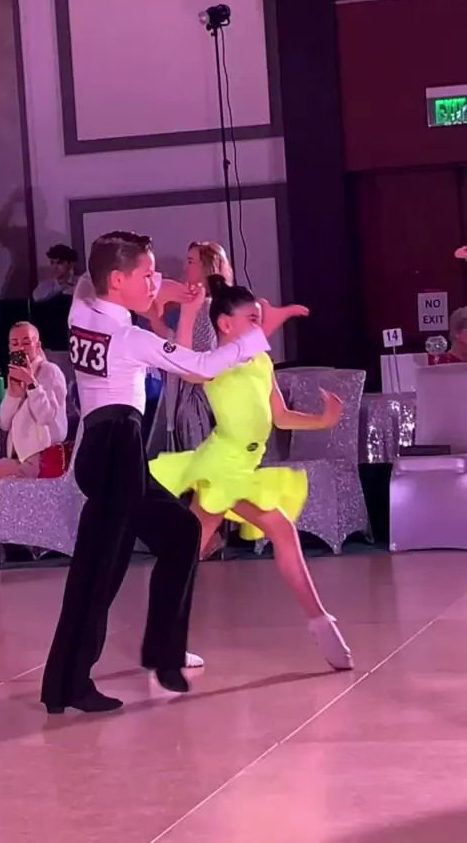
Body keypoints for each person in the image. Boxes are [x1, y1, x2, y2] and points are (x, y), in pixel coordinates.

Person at [40, 230, 277, 716]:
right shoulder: (130, 338)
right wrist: (254, 337)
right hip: (117, 450)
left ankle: (161, 655)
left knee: (181, 532)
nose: (156, 281)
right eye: (147, 274)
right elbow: (201, 368)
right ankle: (72, 684)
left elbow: (96, 278)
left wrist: (174, 293)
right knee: (102, 569)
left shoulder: (81, 308)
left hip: (104, 450)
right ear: (118, 280)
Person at [150, 276, 353, 671]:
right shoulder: (216, 362)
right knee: (278, 531)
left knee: (187, 552)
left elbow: (280, 416)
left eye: (260, 320)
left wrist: (324, 420)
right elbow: (188, 368)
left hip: (244, 467)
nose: (260, 328)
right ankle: (320, 621)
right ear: (225, 324)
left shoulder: (261, 361)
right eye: (252, 319)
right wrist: (189, 313)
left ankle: (164, 640)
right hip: (223, 466)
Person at [0, 322, 68, 540]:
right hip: (18, 458)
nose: (20, 348)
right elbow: (4, 423)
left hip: (40, 459)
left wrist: (32, 384)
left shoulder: (50, 372)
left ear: (37, 345)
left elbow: (46, 417)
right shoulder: (15, 375)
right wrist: (13, 394)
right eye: (15, 344)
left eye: (26, 342)